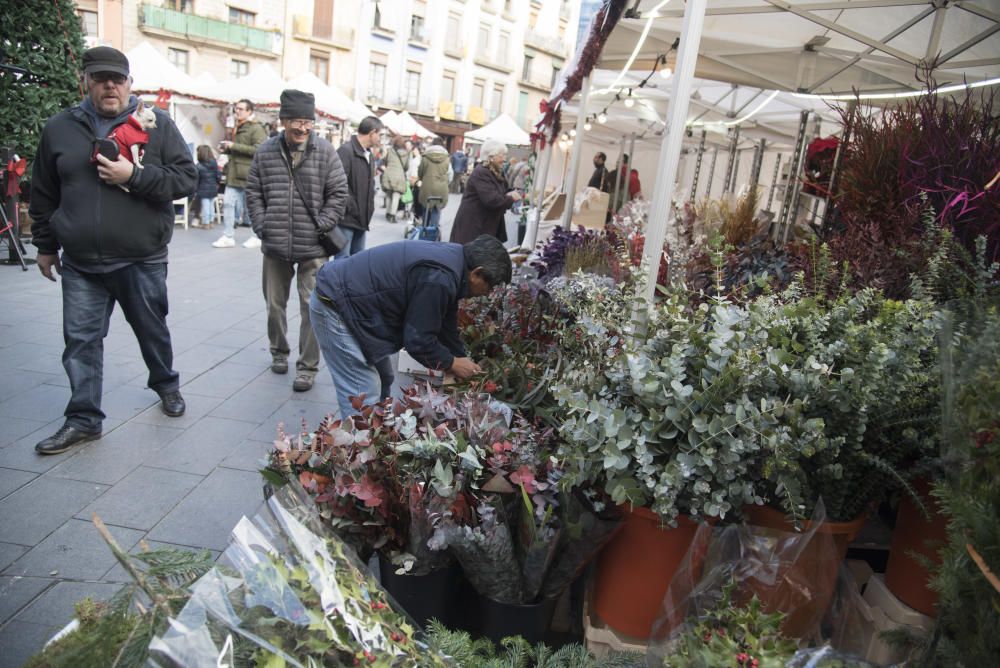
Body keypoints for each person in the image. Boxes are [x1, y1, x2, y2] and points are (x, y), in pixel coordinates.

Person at [28, 46, 196, 455]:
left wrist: (134, 176)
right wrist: (46, 245)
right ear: (84, 80)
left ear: (129, 83)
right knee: (80, 341)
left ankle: (166, 384)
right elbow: (45, 191)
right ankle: (84, 419)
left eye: (117, 79)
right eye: (100, 78)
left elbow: (186, 178)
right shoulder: (60, 127)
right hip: (82, 262)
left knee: (151, 330)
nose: (110, 86)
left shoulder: (157, 125)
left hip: (141, 257)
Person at [310, 235, 513, 418]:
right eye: (490, 287)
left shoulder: (454, 263)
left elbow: (445, 323)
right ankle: (359, 449)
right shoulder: (440, 277)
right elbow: (418, 341)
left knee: (385, 377)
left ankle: (377, 434)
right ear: (477, 273)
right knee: (363, 392)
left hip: (357, 305)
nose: (487, 294)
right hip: (336, 305)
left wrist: (459, 357)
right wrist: (451, 363)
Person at [245, 90, 348, 393]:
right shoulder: (265, 152)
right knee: (274, 305)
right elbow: (253, 191)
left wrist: (322, 223)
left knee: (312, 308)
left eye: (308, 122)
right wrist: (262, 225)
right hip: (275, 244)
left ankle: (307, 367)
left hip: (313, 246)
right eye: (296, 122)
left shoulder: (326, 151)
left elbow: (339, 193)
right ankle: (278, 351)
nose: (303, 128)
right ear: (284, 121)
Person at [213, 98, 267, 248]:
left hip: (248, 173)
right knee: (228, 203)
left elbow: (259, 149)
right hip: (234, 172)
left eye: (241, 109)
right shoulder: (239, 126)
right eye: (236, 108)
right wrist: (228, 149)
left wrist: (233, 146)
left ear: (249, 111)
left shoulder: (256, 128)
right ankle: (228, 235)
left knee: (250, 208)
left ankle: (256, 236)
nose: (237, 111)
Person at [449, 138, 521, 244]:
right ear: (491, 157)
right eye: (502, 155)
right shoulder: (482, 172)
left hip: (483, 225)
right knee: (472, 256)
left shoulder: (495, 171)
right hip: (473, 226)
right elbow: (492, 200)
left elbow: (501, 190)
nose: (505, 159)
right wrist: (511, 198)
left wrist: (510, 193)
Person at [334, 115, 383, 258]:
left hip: (361, 219)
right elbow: (337, 184)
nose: (380, 138)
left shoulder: (369, 155)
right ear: (372, 132)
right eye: (379, 134)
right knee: (342, 263)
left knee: (357, 262)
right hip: (346, 219)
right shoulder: (345, 151)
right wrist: (351, 206)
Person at [417, 137, 450, 232]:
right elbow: (449, 173)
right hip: (441, 188)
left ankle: (424, 230)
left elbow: (420, 173)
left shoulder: (425, 157)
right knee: (437, 209)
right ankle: (434, 232)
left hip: (427, 187)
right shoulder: (447, 158)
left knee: (426, 207)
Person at [381, 136, 409, 223]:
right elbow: (406, 166)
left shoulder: (390, 151)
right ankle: (393, 215)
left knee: (389, 193)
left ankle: (388, 213)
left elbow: (385, 161)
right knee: (396, 195)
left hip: (389, 173)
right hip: (399, 175)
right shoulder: (406, 153)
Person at [194, 144, 220, 228]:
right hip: (213, 188)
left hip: (203, 188)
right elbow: (217, 175)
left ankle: (205, 223)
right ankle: (211, 221)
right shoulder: (214, 163)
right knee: (211, 205)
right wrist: (217, 183)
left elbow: (196, 179)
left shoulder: (199, 166)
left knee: (205, 206)